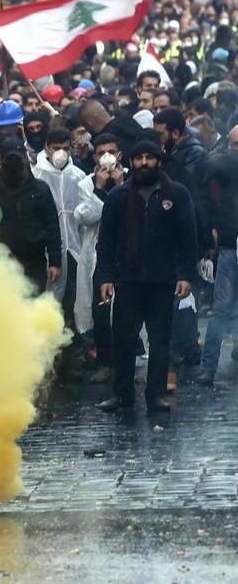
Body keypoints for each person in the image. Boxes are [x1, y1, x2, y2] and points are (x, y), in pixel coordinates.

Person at [95, 139, 197, 412]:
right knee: (125, 340)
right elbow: (105, 241)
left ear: (158, 161)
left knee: (160, 341)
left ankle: (155, 394)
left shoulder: (176, 194)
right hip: (127, 280)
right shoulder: (118, 196)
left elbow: (188, 237)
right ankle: (123, 395)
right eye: (138, 158)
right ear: (131, 163)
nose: (143, 163)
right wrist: (104, 277)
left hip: (163, 280)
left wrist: (186, 275)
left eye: (148, 158)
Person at [74, 134, 125, 383]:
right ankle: (106, 363)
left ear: (119, 155)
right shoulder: (85, 183)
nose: (107, 157)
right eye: (101, 152)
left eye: (111, 152)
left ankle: (127, 361)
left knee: (127, 312)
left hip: (127, 254)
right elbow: (85, 216)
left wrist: (119, 185)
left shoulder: (130, 179)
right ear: (95, 157)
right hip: (97, 253)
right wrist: (100, 189)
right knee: (101, 312)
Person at [0, 136, 61, 294]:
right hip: (2, 262)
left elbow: (52, 225)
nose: (13, 163)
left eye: (17, 158)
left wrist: (55, 261)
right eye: (8, 158)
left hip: (34, 261)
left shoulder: (40, 189)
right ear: (0, 158)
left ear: (25, 157)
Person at [197, 125, 238, 385]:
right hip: (229, 247)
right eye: (234, 145)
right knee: (221, 307)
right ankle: (208, 368)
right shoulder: (222, 169)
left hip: (227, 245)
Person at [32, 128, 86, 321]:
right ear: (47, 148)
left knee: (75, 298)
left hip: (76, 247)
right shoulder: (36, 176)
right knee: (50, 300)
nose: (60, 153)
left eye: (65, 148)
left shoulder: (78, 176)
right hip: (48, 251)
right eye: (56, 148)